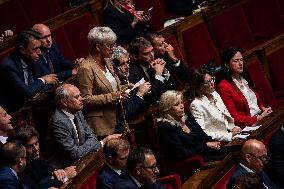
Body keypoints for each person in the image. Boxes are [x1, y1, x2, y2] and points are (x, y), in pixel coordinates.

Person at [45, 83, 121, 169]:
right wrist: (102, 142)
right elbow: (74, 154)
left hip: (81, 159)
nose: (82, 99)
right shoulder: (58, 122)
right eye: (77, 97)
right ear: (64, 102)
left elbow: (92, 135)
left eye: (80, 95)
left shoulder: (77, 111)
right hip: (63, 168)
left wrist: (84, 148)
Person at [76, 27, 128, 138]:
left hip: (117, 117)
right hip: (101, 124)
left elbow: (111, 87)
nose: (113, 49)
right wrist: (114, 96)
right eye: (109, 45)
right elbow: (85, 99)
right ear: (98, 47)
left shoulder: (108, 62)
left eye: (114, 44)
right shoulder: (86, 68)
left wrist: (125, 87)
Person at [0, 28, 58, 113]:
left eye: (39, 48)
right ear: (22, 50)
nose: (39, 53)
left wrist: (37, 90)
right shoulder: (8, 66)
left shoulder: (34, 58)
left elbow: (52, 80)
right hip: (14, 113)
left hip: (33, 106)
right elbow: (28, 92)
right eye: (35, 49)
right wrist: (43, 80)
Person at [157, 90, 223, 163]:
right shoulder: (166, 127)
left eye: (181, 102)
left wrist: (214, 143)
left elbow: (204, 136)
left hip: (206, 153)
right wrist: (205, 145)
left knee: (226, 151)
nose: (182, 106)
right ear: (167, 109)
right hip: (194, 161)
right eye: (177, 104)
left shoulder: (187, 117)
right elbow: (182, 154)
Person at [216, 47, 272, 128]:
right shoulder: (224, 86)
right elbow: (234, 118)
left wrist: (263, 109)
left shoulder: (244, 78)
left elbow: (253, 103)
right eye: (236, 61)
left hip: (260, 118)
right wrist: (258, 117)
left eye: (241, 60)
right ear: (226, 64)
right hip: (247, 126)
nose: (240, 63)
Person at [9, 125, 77, 189]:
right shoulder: (19, 166)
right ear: (20, 148)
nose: (36, 149)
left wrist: (58, 172)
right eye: (30, 146)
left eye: (36, 143)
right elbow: (38, 187)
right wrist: (65, 177)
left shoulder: (33, 157)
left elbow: (47, 169)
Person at [189, 69, 242, 142]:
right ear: (199, 87)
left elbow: (225, 118)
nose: (212, 83)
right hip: (218, 142)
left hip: (230, 134)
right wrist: (229, 135)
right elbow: (203, 132)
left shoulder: (215, 94)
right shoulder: (196, 105)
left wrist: (232, 128)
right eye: (208, 82)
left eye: (212, 79)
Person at [129, 37, 177, 104]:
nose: (151, 55)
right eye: (146, 53)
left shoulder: (157, 62)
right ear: (135, 56)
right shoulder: (133, 74)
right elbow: (152, 99)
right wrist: (158, 75)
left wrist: (165, 72)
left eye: (152, 51)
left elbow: (174, 87)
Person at [112, 46, 151, 118]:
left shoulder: (133, 76)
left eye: (127, 62)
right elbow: (126, 114)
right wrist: (139, 94)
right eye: (122, 64)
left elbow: (151, 100)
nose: (127, 67)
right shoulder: (112, 86)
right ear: (112, 67)